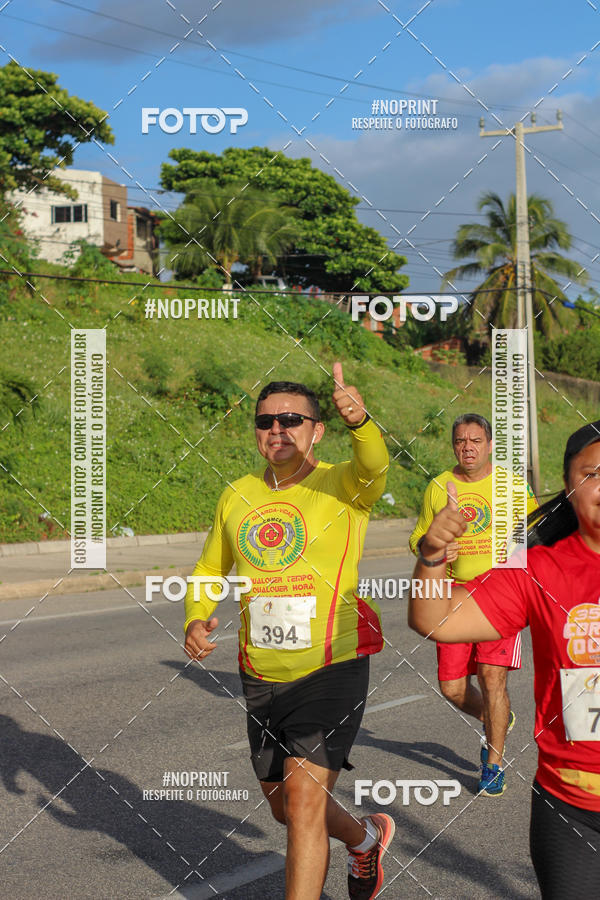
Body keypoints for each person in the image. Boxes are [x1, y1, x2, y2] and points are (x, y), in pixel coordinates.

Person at [184, 364, 394, 900]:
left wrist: (361, 421)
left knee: (303, 804)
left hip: (332, 664)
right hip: (260, 670)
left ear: (316, 430)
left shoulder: (344, 483)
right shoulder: (238, 493)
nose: (278, 429)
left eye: (291, 420)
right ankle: (365, 837)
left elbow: (375, 464)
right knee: (285, 806)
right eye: (266, 421)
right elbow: (212, 568)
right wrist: (195, 614)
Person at [409, 419, 600, 899]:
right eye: (593, 474)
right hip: (572, 807)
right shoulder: (539, 568)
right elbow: (435, 620)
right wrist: (432, 553)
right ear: (569, 485)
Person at [409, 413, 538, 795]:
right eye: (461, 441)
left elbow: (540, 536)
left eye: (476, 441)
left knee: (492, 679)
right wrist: (434, 546)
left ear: (490, 445)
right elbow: (419, 540)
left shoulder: (512, 486)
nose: (468, 448)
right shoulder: (439, 487)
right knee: (451, 688)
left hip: (502, 596)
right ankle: (497, 718)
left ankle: (494, 764)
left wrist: (516, 550)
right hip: (453, 597)